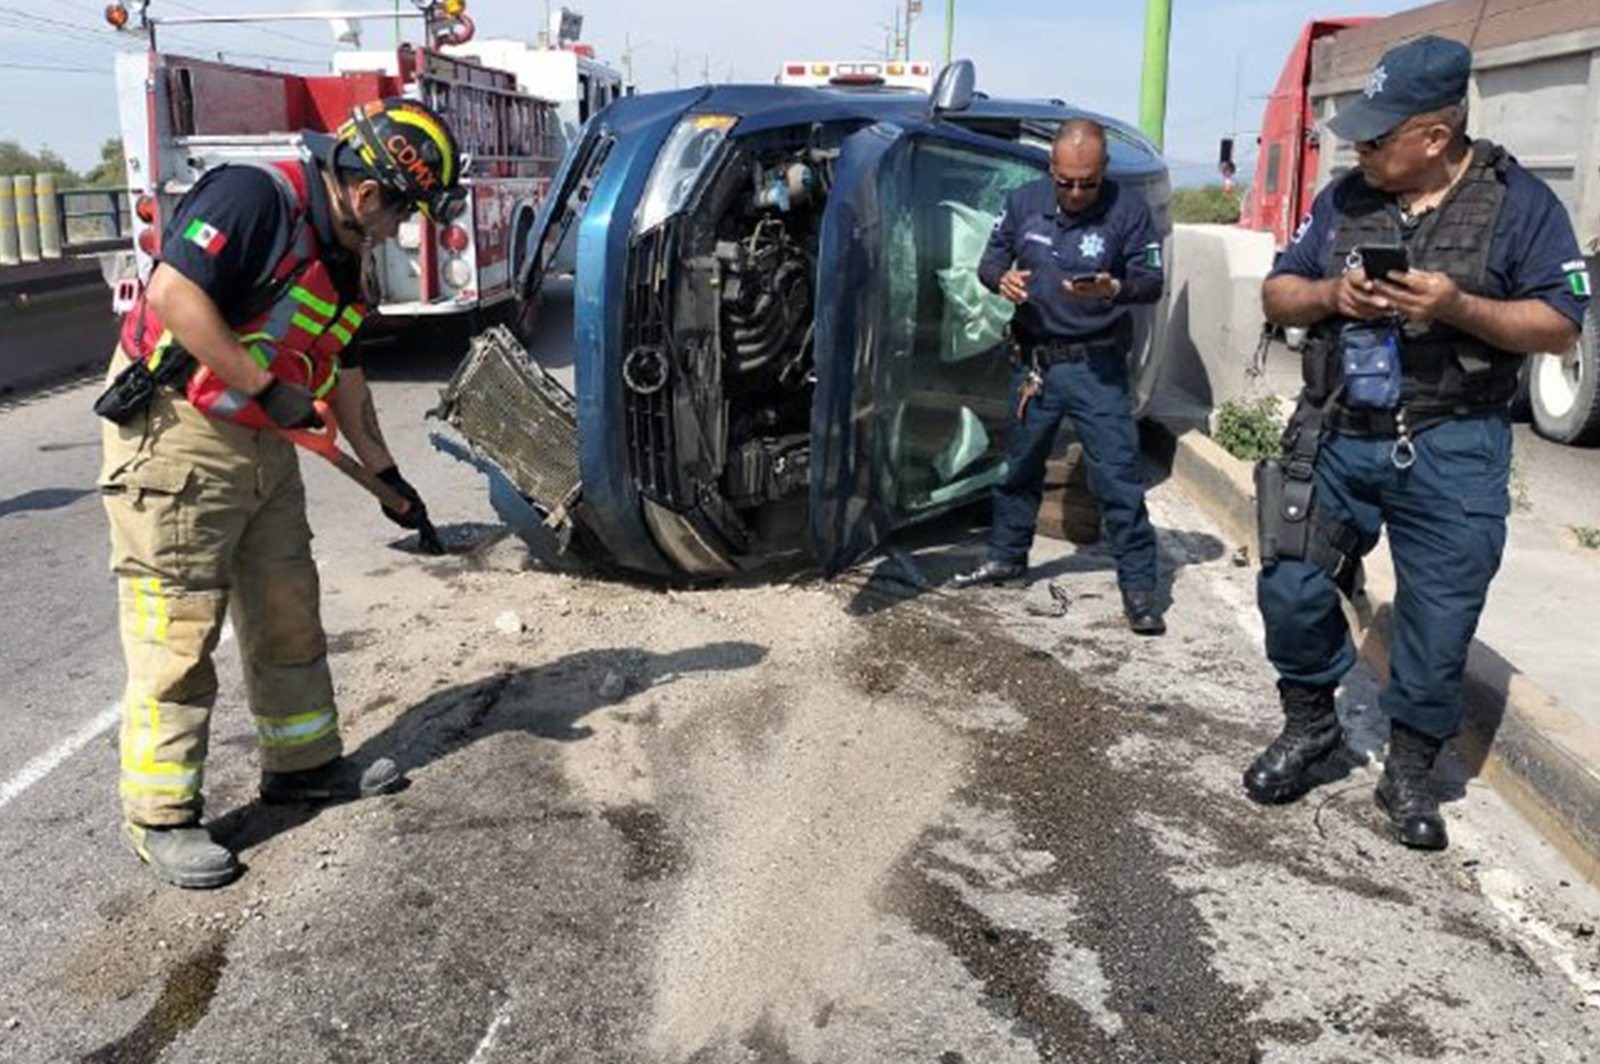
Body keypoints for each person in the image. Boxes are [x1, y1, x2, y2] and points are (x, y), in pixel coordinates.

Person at [97, 97, 466, 888]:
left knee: (287, 603)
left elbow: (346, 376)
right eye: (403, 211)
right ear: (368, 194)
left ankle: (303, 765)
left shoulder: (342, 257)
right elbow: (173, 296)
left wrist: (387, 477)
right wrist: (266, 384)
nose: (402, 229)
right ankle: (162, 816)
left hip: (261, 436)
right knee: (179, 625)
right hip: (176, 436)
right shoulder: (253, 198)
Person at [1244, 36, 1589, 850]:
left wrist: (1457, 307)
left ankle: (1408, 771)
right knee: (1291, 584)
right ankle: (1311, 728)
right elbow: (1277, 291)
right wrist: (1334, 294)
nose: (1358, 151)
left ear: (1435, 137)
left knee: (1437, 626)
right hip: (1338, 430)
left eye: (1377, 138)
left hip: (1453, 442)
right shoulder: (1341, 200)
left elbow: (1558, 324)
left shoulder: (1522, 204)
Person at [950, 118, 1168, 636]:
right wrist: (999, 279)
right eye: (1065, 181)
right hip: (1035, 366)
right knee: (1018, 468)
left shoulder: (1128, 212)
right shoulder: (1024, 202)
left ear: (1103, 170)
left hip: (1097, 367)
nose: (1074, 192)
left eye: (1086, 182)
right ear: (1051, 169)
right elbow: (991, 260)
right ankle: (1007, 556)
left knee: (1117, 479)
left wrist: (1114, 287)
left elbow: (1151, 282)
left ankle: (1139, 589)